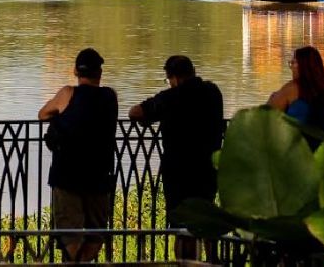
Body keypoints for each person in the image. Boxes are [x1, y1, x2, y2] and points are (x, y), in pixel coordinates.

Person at [128, 55, 224, 260]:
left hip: (179, 171)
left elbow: (135, 112)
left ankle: (186, 263)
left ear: (174, 78)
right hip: (208, 168)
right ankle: (214, 262)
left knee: (181, 226)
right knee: (207, 218)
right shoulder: (213, 93)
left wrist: (151, 118)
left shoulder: (170, 98)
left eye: (169, 79)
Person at [39, 48, 118, 263]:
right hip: (99, 174)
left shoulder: (67, 93)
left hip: (66, 175)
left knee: (68, 231)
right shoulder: (110, 96)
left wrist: (60, 118)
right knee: (98, 230)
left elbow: (42, 114)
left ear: (75, 71)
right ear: (99, 73)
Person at [267, 46, 324, 148]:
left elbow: (264, 118)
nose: (291, 67)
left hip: (298, 154)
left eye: (294, 62)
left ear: (304, 66)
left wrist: (272, 98)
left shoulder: (291, 89)